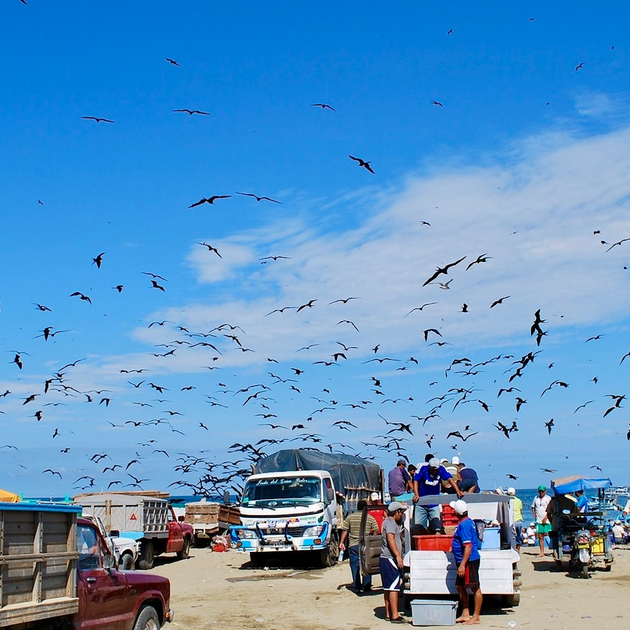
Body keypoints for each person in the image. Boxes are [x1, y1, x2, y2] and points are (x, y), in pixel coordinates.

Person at [450, 499, 482, 625]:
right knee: (460, 585)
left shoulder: (464, 525)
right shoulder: (466, 522)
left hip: (469, 561)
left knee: (475, 587)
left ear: (456, 513)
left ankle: (476, 616)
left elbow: (468, 546)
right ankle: (465, 612)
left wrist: (463, 564)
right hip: (463, 560)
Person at [413, 458, 463, 533]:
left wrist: (458, 490)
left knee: (437, 528)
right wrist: (416, 494)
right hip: (421, 503)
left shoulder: (441, 468)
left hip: (434, 504)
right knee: (418, 528)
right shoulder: (423, 468)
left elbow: (449, 479)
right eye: (432, 469)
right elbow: (416, 480)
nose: (434, 471)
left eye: (435, 469)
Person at [339, 500, 378, 594]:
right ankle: (367, 585)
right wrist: (371, 539)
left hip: (353, 545)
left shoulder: (350, 517)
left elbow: (345, 530)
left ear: (357, 507)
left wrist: (341, 542)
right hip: (365, 545)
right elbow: (376, 529)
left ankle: (357, 586)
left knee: (355, 565)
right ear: (366, 508)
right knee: (367, 564)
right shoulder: (370, 518)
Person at [379, 502, 408, 623]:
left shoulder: (387, 522)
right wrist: (398, 556)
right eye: (401, 513)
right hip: (390, 558)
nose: (402, 515)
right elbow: (390, 539)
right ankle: (395, 615)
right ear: (396, 512)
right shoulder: (391, 523)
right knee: (394, 588)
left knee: (387, 587)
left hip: (385, 558)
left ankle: (388, 613)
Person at [531, 485, 552, 557]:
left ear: (545, 491)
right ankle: (541, 552)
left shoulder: (548, 498)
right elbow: (533, 507)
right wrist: (534, 515)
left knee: (550, 535)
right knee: (540, 536)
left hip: (547, 520)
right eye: (540, 491)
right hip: (539, 520)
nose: (541, 492)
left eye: (542, 491)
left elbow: (550, 509)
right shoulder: (536, 498)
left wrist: (546, 518)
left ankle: (553, 550)